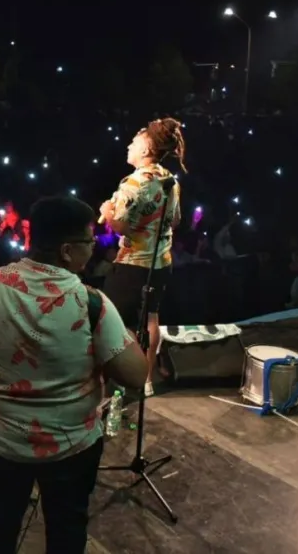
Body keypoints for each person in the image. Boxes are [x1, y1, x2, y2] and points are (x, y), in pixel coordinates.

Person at [0, 197, 147, 554]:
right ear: (67, 250)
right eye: (88, 242)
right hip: (70, 446)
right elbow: (136, 374)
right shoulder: (90, 302)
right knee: (67, 529)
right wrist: (125, 335)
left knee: (1, 523)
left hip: (2, 440)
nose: (93, 249)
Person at [99, 117, 185, 397]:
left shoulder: (133, 183)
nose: (128, 146)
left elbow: (121, 226)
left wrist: (107, 212)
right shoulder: (169, 180)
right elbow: (175, 220)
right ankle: (146, 380)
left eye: (133, 143)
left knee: (115, 323)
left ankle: (120, 380)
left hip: (132, 265)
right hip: (160, 263)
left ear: (146, 149)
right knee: (151, 318)